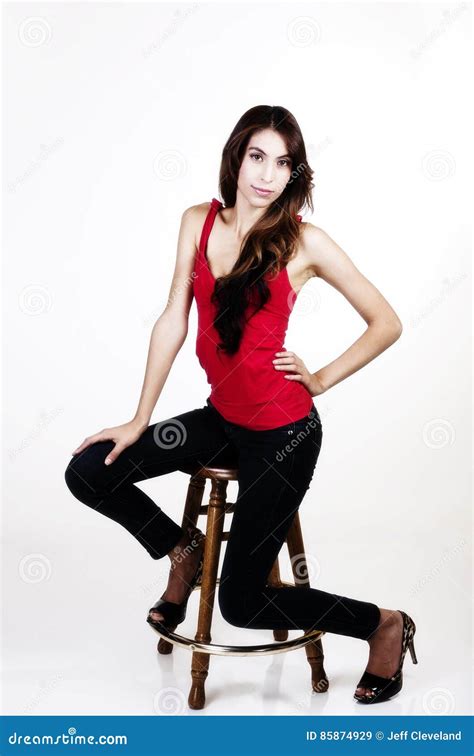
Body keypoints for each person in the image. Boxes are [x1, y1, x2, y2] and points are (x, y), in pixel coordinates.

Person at [64, 105, 417, 704]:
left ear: (292, 173)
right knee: (89, 470)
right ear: (236, 157)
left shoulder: (304, 241)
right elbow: (174, 318)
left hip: (284, 438)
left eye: (283, 163)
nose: (267, 174)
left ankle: (382, 623)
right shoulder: (197, 222)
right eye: (258, 156)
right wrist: (139, 418)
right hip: (223, 421)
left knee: (242, 603)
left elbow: (387, 322)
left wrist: (323, 378)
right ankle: (185, 551)